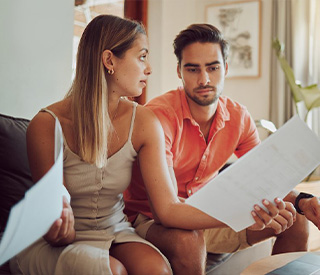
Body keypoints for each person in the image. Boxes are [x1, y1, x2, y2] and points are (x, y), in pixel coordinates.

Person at [9, 16, 294, 275]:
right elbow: (50, 223)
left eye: (213, 67)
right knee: (112, 270)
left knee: (156, 269)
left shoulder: (143, 121)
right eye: (142, 57)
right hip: (61, 241)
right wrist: (59, 229)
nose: (149, 68)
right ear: (110, 61)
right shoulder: (47, 124)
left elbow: (168, 208)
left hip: (115, 229)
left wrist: (252, 212)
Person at [124, 23, 320, 275]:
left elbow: (267, 178)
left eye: (212, 68)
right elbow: (167, 212)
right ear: (179, 72)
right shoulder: (159, 117)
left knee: (295, 219)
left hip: (206, 211)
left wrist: (304, 201)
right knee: (187, 239)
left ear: (225, 68)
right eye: (193, 69)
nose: (204, 79)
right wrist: (240, 214)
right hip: (150, 217)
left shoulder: (239, 117)